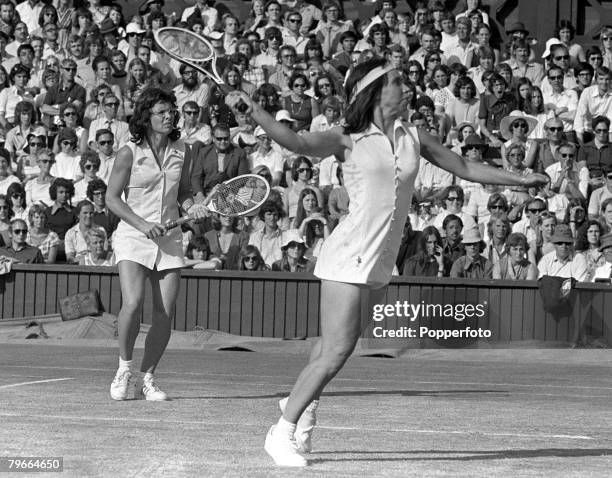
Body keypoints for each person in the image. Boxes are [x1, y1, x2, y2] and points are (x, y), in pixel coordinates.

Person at [225, 58, 547, 467]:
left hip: (382, 259)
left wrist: (519, 180)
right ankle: (283, 431)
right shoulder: (348, 137)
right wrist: (253, 109)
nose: (407, 86)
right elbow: (298, 143)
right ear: (375, 91)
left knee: (334, 347)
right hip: (347, 255)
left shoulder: (415, 135)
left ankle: (300, 407)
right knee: (337, 349)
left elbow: (464, 166)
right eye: (397, 81)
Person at [106, 88, 208, 402]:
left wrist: (192, 207)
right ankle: (124, 368)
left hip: (170, 239)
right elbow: (111, 198)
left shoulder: (184, 150)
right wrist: (143, 224)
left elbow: (183, 194)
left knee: (165, 312)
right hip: (134, 235)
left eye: (171, 112)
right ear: (146, 117)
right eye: (161, 112)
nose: (169, 117)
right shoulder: (128, 152)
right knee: (133, 304)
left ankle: (147, 377)